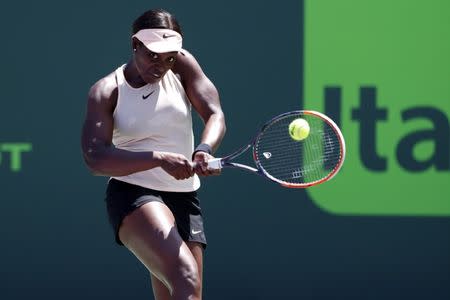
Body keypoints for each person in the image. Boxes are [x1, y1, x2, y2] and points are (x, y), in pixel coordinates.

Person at [81, 8, 226, 300]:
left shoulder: (183, 66)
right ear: (136, 45)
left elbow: (215, 114)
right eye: (153, 56)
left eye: (169, 58)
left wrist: (204, 149)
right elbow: (95, 159)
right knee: (186, 276)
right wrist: (159, 158)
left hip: (185, 195)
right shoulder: (107, 90)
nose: (161, 66)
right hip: (133, 193)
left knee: (185, 292)